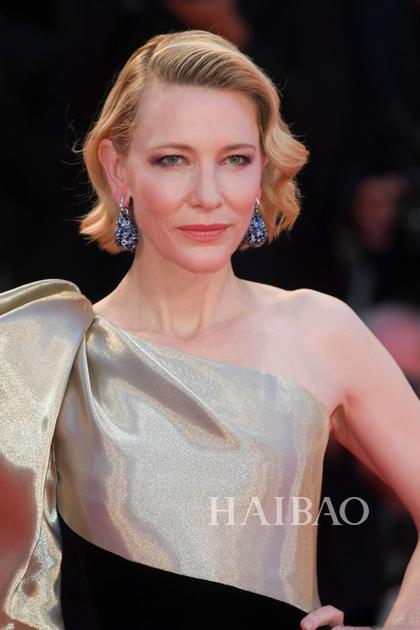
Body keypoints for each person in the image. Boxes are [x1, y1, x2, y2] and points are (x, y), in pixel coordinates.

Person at [0, 30, 419, 630]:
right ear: (118, 170)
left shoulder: (318, 331)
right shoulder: (45, 353)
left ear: (262, 168)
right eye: (172, 160)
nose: (208, 195)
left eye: (235, 160)